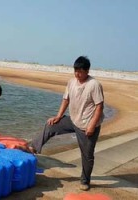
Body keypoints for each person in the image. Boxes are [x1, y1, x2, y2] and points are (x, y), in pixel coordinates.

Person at [29, 56, 104, 191]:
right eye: (75, 71)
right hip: (74, 119)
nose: (77, 74)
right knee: (51, 125)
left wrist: (92, 125)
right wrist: (58, 116)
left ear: (87, 71)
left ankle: (85, 180)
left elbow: (99, 107)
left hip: (88, 124)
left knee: (87, 155)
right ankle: (33, 148)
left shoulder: (94, 85)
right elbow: (66, 99)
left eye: (80, 71)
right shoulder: (71, 82)